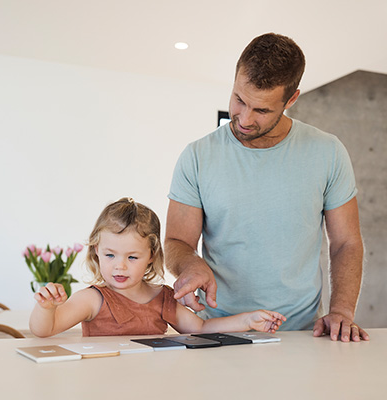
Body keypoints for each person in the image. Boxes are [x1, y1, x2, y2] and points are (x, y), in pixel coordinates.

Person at [165, 33, 369, 342]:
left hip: (300, 335)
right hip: (219, 330)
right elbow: (177, 240)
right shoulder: (197, 156)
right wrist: (191, 264)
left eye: (262, 110)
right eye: (239, 100)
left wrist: (341, 310)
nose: (244, 118)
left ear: (291, 99)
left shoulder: (328, 152)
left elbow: (346, 243)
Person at [29, 197, 286, 337]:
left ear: (151, 256)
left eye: (132, 258)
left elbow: (201, 328)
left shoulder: (162, 297)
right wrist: (46, 308)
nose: (120, 266)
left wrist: (248, 320)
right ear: (96, 250)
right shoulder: (93, 299)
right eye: (110, 255)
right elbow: (45, 330)